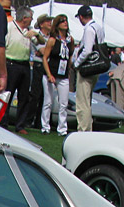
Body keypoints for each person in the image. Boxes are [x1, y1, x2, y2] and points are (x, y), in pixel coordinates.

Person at [1, 5, 34, 132]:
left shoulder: (29, 30)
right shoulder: (9, 27)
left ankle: (20, 125)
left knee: (24, 96)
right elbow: (3, 45)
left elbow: (40, 42)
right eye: (31, 17)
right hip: (11, 63)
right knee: (8, 94)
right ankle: (3, 123)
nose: (32, 20)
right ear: (24, 18)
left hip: (25, 64)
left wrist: (34, 35)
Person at [71, 4, 103, 132]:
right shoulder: (98, 27)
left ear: (81, 17)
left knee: (82, 102)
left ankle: (83, 130)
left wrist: (77, 63)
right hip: (96, 67)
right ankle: (87, 129)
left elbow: (87, 50)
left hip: (87, 68)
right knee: (87, 101)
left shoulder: (89, 29)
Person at [40, 12, 71, 134]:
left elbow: (70, 56)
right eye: (62, 21)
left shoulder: (69, 40)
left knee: (64, 103)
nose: (65, 23)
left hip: (63, 75)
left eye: (66, 21)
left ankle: (62, 128)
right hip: (50, 74)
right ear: (57, 25)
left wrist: (69, 71)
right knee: (48, 101)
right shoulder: (52, 40)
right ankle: (45, 126)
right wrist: (49, 75)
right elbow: (45, 58)